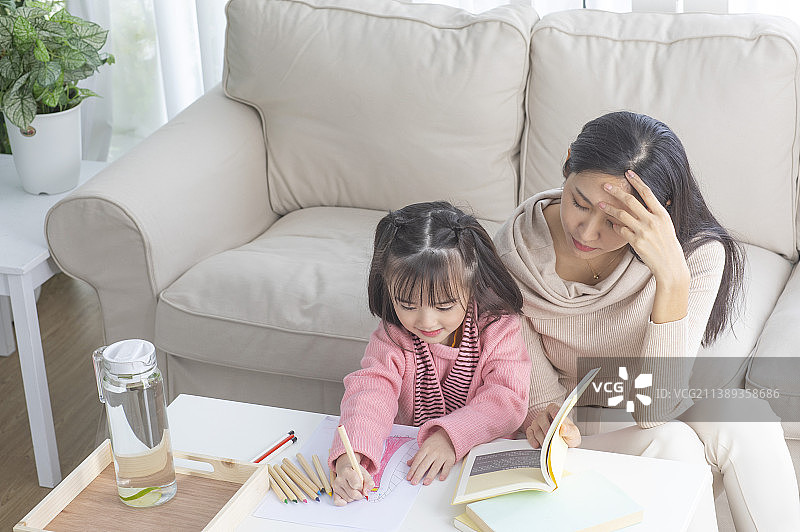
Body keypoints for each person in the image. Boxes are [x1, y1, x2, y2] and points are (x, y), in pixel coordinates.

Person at [494, 111, 800, 531]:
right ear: (567, 163)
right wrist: (544, 419)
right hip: (579, 420)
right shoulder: (512, 255)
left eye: (617, 221)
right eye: (579, 202)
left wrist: (672, 276)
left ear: (659, 210)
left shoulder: (696, 254)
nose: (586, 230)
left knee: (747, 417)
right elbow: (541, 405)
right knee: (673, 444)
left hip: (653, 395)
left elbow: (657, 403)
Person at [329, 201, 531, 506]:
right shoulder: (394, 334)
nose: (425, 322)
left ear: (472, 286)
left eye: (445, 306)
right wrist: (352, 456)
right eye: (408, 306)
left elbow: (506, 399)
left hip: (478, 462)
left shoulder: (497, 326)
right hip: (413, 474)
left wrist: (450, 437)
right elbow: (372, 390)